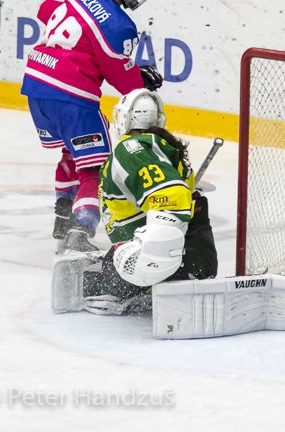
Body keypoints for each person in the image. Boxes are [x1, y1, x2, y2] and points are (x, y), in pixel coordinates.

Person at [21, 0, 163, 253]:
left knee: (72, 151)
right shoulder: (120, 25)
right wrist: (143, 79)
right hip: (71, 96)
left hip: (36, 87)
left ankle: (63, 215)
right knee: (96, 168)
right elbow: (125, 83)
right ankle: (80, 231)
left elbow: (45, 10)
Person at [82, 88, 217, 315]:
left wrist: (152, 256)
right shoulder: (163, 150)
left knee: (95, 285)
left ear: (124, 118)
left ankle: (149, 283)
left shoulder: (130, 150)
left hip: (162, 264)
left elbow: (170, 196)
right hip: (195, 260)